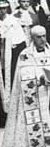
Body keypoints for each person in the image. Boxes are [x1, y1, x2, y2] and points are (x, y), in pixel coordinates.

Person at [0, 0, 26, 128]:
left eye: (4, 8)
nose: (1, 11)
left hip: (11, 58)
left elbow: (20, 42)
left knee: (11, 84)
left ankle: (12, 117)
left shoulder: (13, 21)